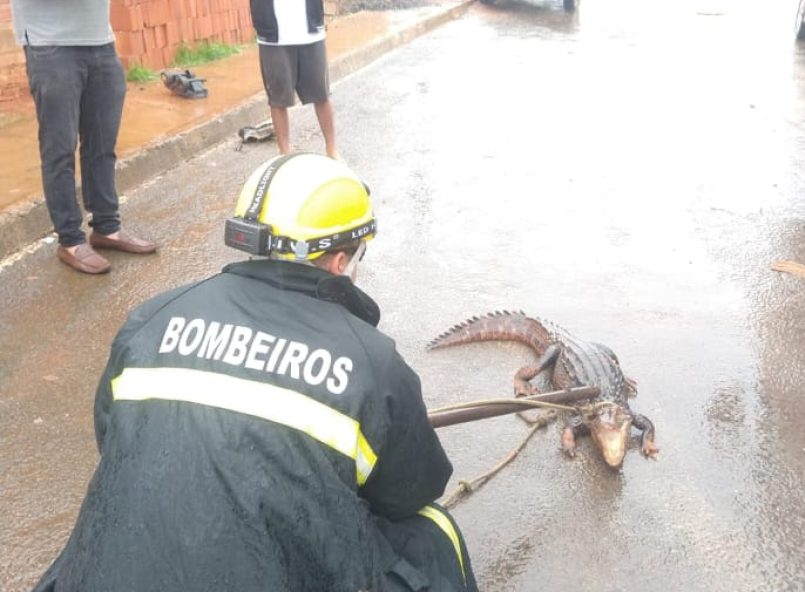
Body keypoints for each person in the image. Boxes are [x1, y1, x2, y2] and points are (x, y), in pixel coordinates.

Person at [32, 153, 479, 592]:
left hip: (102, 575)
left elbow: (114, 439)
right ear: (341, 260)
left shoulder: (151, 318)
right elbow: (412, 489)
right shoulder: (372, 362)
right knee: (432, 530)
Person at [11, 0, 156, 275]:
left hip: (100, 40)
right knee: (60, 149)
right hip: (49, 44)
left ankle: (107, 228)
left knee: (103, 144)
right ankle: (70, 240)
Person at [250, 0, 339, 158]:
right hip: (273, 36)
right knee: (278, 99)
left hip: (310, 33)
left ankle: (332, 151)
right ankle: (285, 154)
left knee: (322, 95)